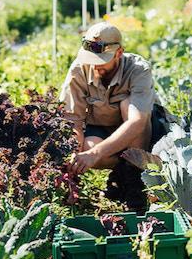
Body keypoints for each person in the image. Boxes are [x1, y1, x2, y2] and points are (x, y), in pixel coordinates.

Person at [60, 21, 167, 212]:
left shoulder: (138, 69)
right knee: (87, 147)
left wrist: (95, 154)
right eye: (90, 59)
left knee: (128, 105)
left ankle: (135, 180)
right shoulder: (79, 70)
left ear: (119, 53)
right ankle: (122, 171)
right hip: (103, 128)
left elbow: (137, 122)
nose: (94, 66)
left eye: (101, 60)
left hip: (143, 133)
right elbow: (72, 119)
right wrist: (74, 158)